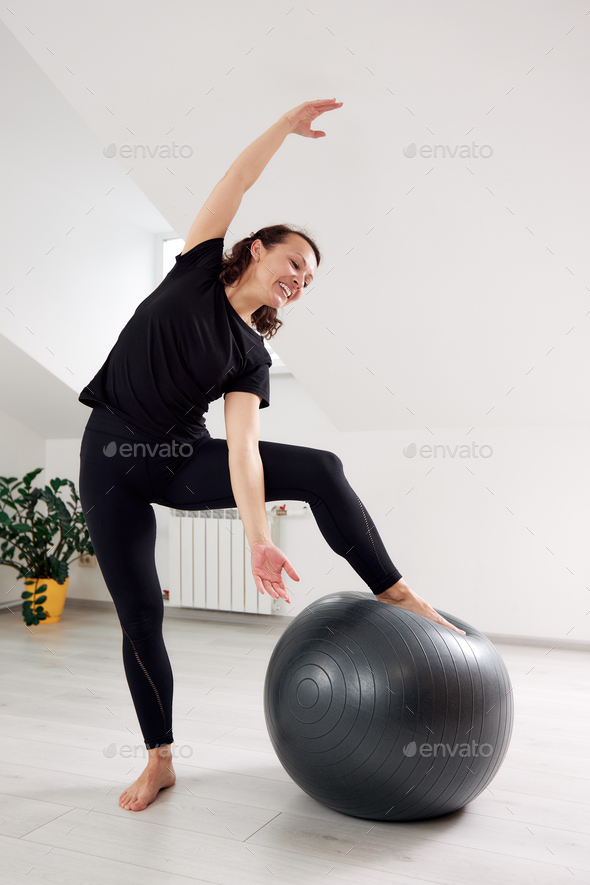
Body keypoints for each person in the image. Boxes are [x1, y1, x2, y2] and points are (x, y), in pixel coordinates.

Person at [78, 98, 465, 813]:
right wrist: (284, 129)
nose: (300, 279)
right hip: (110, 462)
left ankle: (393, 587)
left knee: (318, 467)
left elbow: (245, 452)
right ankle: (159, 758)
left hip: (179, 460)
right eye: (295, 263)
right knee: (139, 616)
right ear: (257, 249)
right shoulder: (193, 269)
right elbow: (237, 177)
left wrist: (259, 539)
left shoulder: (251, 355)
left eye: (309, 279)